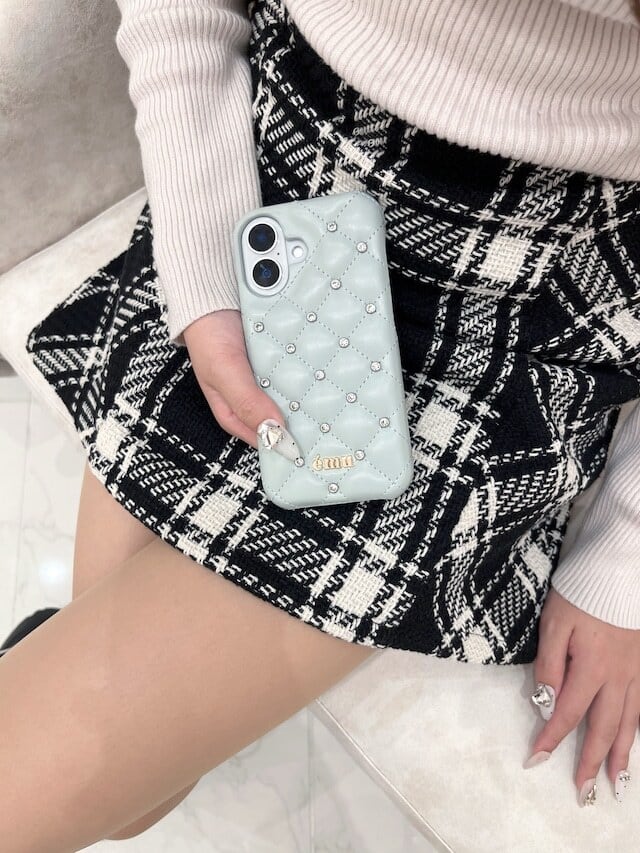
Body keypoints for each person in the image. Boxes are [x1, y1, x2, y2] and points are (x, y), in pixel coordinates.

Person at [2, 0, 639, 846]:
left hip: (519, 296)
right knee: (111, 794)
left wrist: (624, 555)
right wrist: (201, 250)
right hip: (272, 175)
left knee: (84, 792)